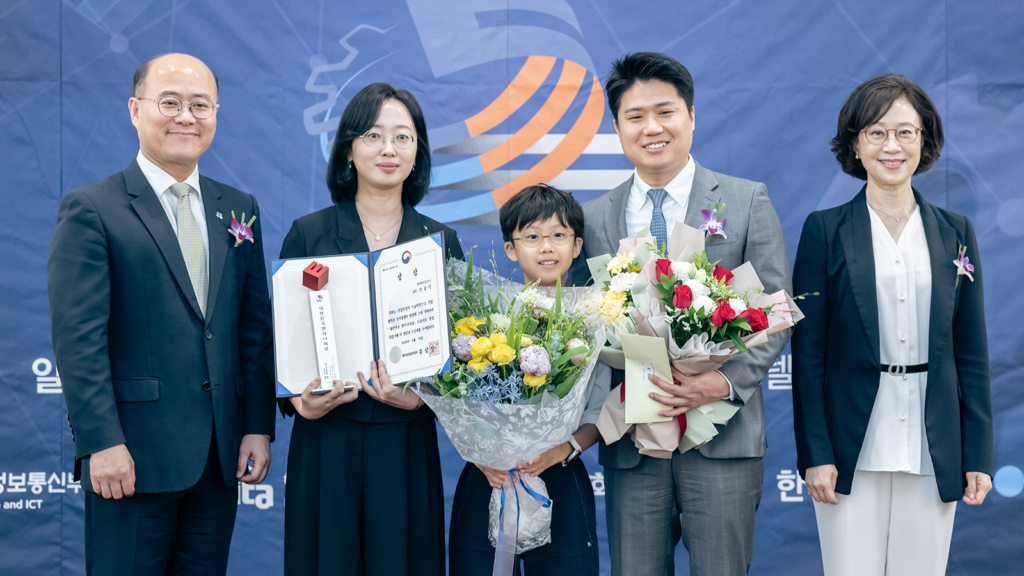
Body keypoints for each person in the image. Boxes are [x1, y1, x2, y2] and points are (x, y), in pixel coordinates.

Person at [47, 53, 274, 574]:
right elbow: (79, 341)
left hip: (218, 458)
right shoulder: (93, 208)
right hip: (131, 458)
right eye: (170, 102)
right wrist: (101, 441)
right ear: (135, 109)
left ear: (216, 113)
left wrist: (257, 426)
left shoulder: (238, 208)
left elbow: (252, 329)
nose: (186, 117)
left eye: (200, 105)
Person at [569, 52, 792, 576]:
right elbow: (586, 323)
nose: (652, 128)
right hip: (633, 444)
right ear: (618, 127)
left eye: (665, 112)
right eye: (635, 116)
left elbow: (776, 306)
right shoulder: (593, 218)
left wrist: (722, 382)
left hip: (723, 437)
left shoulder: (745, 200)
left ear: (691, 115)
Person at [791, 74, 993, 575]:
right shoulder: (825, 231)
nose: (891, 146)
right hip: (849, 447)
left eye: (905, 132)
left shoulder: (955, 233)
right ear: (855, 143)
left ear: (924, 141)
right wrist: (816, 452)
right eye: (876, 132)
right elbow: (809, 354)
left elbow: (971, 352)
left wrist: (978, 454)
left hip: (933, 442)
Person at [278, 82, 463, 576]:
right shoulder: (309, 233)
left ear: (418, 153)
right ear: (348, 150)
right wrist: (297, 400)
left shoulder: (441, 241)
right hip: (327, 436)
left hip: (405, 438)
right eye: (373, 135)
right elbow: (277, 338)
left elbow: (462, 347)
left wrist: (425, 398)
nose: (388, 149)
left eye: (403, 137)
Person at [448, 184, 608, 576]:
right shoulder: (484, 317)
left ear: (577, 245)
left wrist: (563, 449)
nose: (547, 247)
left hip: (561, 475)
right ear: (510, 248)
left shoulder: (596, 318)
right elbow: (454, 397)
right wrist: (481, 455)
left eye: (559, 235)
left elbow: (601, 408)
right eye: (532, 237)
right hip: (488, 477)